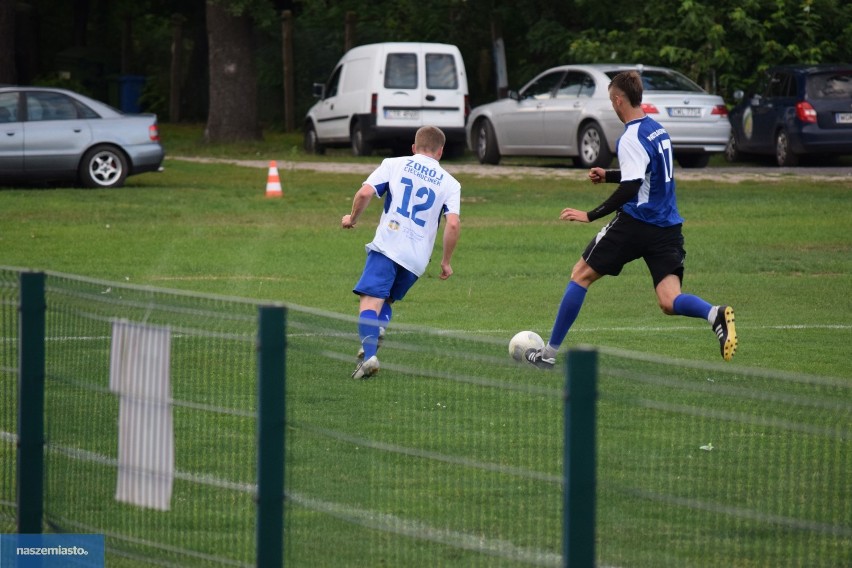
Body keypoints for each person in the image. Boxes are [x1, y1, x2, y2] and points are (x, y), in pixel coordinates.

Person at [524, 70, 737, 369]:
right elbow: (647, 174)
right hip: (668, 227)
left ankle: (547, 355)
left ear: (618, 99)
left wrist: (590, 215)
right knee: (669, 300)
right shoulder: (656, 129)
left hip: (637, 223)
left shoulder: (630, 137)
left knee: (580, 275)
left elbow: (633, 187)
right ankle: (715, 314)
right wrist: (609, 174)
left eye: (611, 99)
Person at [342, 126, 461, 379]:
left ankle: (370, 355)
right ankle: (378, 330)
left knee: (368, 300)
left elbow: (365, 193)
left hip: (388, 246)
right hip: (417, 259)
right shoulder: (451, 183)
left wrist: (351, 218)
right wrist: (446, 262)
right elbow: (452, 223)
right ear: (441, 152)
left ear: (413, 148)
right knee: (386, 300)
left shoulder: (393, 164)